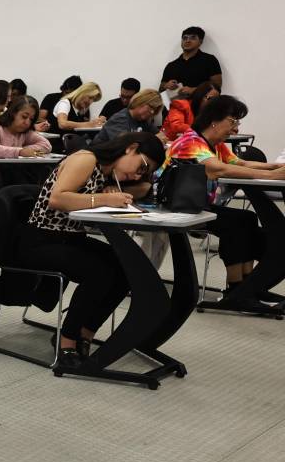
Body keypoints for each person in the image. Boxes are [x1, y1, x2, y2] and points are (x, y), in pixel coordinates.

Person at [18, 132, 164, 365]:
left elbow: (138, 188)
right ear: (131, 148)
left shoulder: (106, 171)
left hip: (71, 238)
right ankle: (66, 341)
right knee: (99, 272)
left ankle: (85, 333)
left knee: (127, 269)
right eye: (141, 166)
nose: (137, 174)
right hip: (41, 240)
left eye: (143, 172)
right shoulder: (86, 158)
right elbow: (57, 198)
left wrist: (110, 193)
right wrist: (105, 199)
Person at [165, 95, 285, 309]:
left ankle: (247, 287)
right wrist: (272, 177)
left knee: (246, 218)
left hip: (198, 205)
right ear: (214, 120)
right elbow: (218, 168)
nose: (235, 128)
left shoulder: (215, 144)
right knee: (235, 223)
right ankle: (237, 289)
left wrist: (274, 168)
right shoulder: (190, 141)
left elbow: (241, 163)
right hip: (177, 206)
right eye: (233, 122)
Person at [161, 25, 223, 96]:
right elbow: (160, 89)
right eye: (185, 38)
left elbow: (217, 87)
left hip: (200, 105)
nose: (187, 40)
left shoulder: (210, 60)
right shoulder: (171, 65)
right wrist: (165, 86)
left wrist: (194, 90)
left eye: (193, 38)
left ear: (200, 41)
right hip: (175, 105)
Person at [93, 90, 164, 144]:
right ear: (140, 101)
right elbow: (124, 144)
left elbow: (160, 135)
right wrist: (153, 140)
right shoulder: (120, 118)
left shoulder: (144, 121)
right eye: (151, 107)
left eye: (154, 110)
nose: (152, 112)